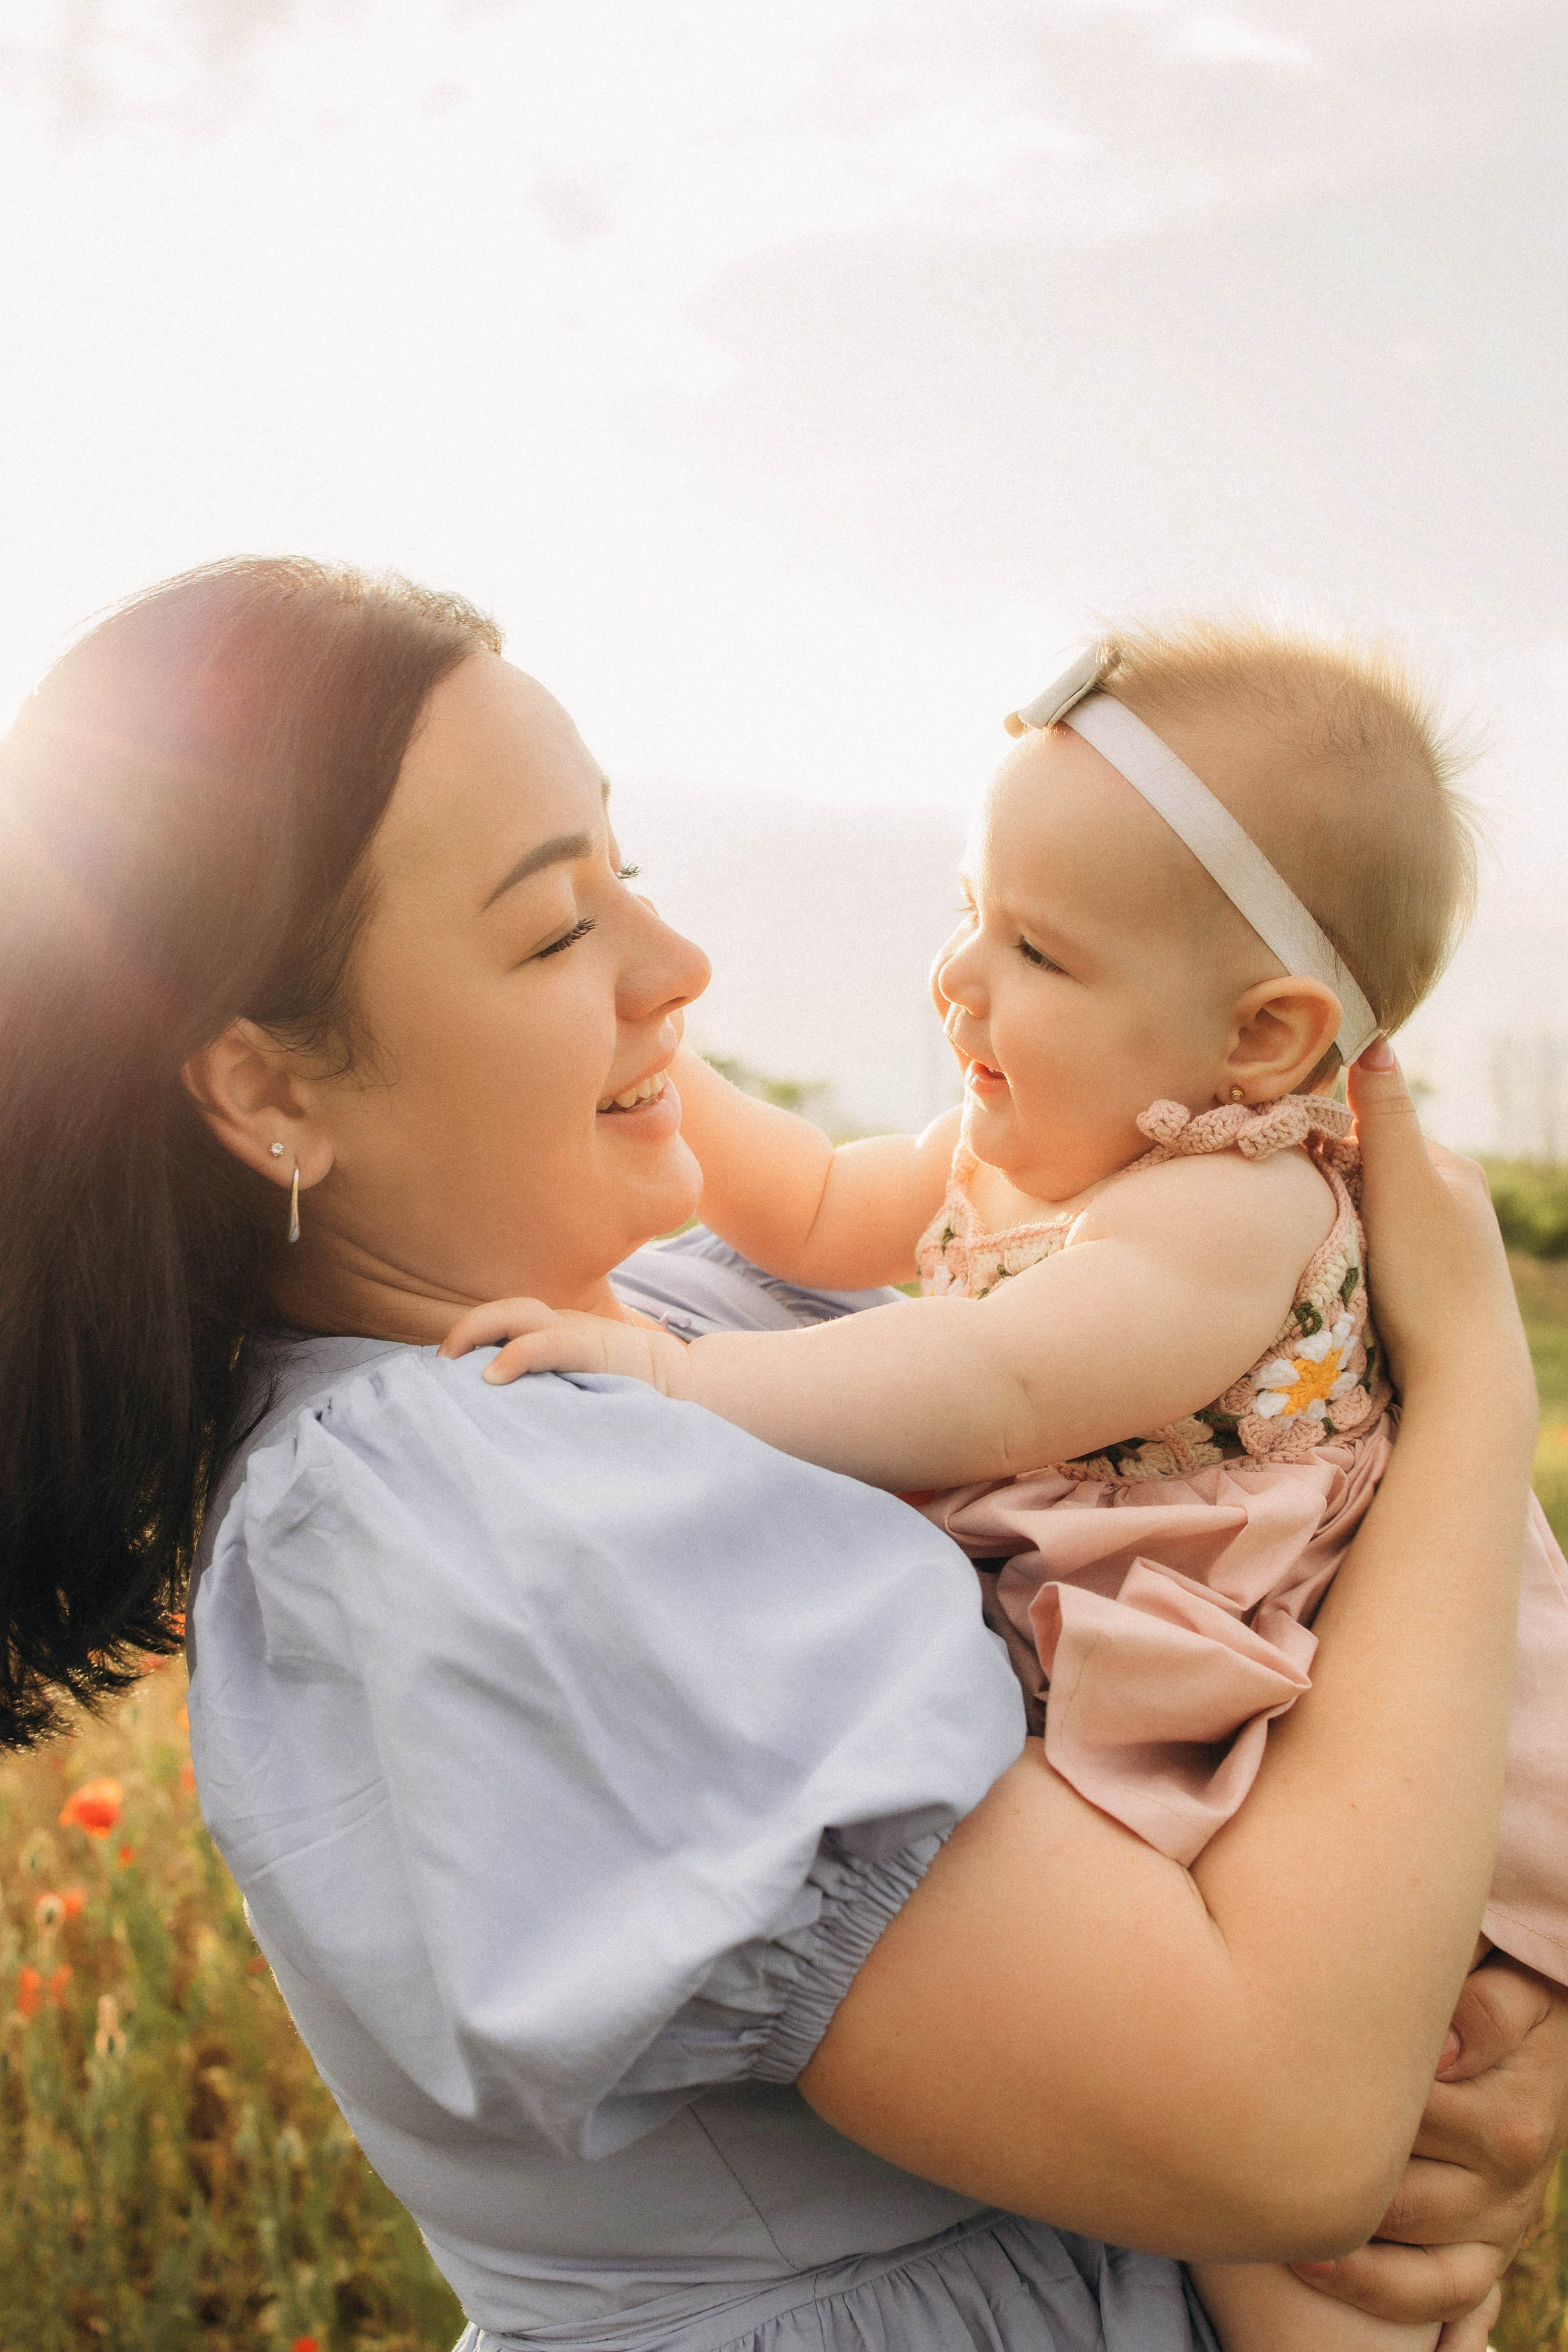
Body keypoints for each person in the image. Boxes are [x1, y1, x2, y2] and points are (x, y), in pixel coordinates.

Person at [0, 559, 1561, 2352]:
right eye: (550, 929)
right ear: (272, 1090)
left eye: (628, 872)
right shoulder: (475, 1505)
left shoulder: (688, 1315)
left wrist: (1473, 2046)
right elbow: (1288, 2123)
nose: (681, 965)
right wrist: (1479, 1403)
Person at [444, 622, 1568, 2351]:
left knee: (1312, 2253)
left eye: (1037, 948)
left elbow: (992, 1381)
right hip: (1167, 1648)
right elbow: (818, 1203)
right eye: (968, 911)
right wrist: (662, 1071)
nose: (960, 980)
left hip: (1272, 1680)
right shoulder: (1024, 1136)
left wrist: (679, 1379)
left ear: (1263, 1043)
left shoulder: (1232, 1209)